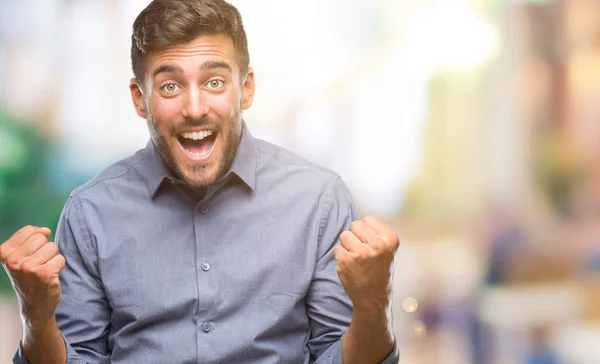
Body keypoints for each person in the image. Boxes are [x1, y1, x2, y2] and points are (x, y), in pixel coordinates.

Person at [0, 0, 400, 363]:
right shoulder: (90, 214)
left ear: (246, 88)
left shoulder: (319, 201)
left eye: (214, 82)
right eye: (170, 85)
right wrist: (36, 316)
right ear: (140, 98)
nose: (194, 108)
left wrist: (373, 304)